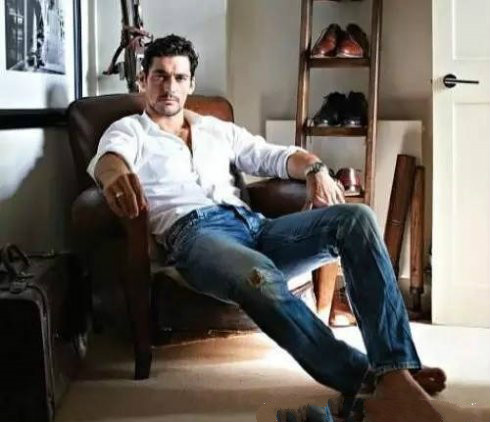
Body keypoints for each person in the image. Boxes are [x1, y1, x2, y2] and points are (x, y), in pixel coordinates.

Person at [88, 34, 446, 422]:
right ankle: (366, 380)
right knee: (258, 275)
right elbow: (109, 160)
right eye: (159, 75)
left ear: (191, 83)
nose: (169, 86)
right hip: (196, 236)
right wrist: (115, 177)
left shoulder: (215, 129)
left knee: (356, 219)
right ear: (143, 80)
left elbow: (274, 156)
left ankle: (396, 369)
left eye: (179, 77)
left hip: (254, 228)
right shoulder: (130, 130)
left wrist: (315, 169)